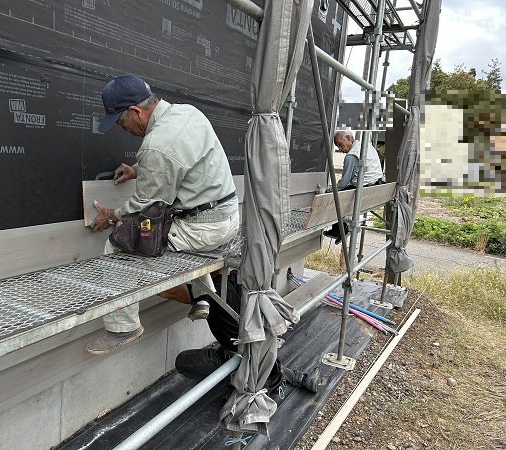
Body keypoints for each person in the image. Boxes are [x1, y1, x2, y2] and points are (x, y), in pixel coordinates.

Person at [87, 74, 240, 355]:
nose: (125, 130)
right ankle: (202, 296)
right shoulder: (187, 112)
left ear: (135, 111)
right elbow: (180, 161)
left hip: (204, 227)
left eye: (121, 122)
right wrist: (140, 169)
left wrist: (111, 215)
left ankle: (122, 327)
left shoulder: (156, 146)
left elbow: (145, 208)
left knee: (119, 245)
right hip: (225, 216)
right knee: (167, 232)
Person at [175, 271, 321, 396]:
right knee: (243, 349)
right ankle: (292, 377)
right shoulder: (242, 279)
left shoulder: (210, 293)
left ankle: (240, 383)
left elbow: (171, 291)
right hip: (261, 350)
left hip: (243, 360)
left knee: (182, 361)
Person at [323, 130, 384, 243]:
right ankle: (342, 227)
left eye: (340, 144)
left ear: (349, 138)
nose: (340, 149)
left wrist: (328, 190)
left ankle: (340, 229)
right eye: (338, 146)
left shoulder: (351, 156)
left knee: (334, 196)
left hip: (364, 189)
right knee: (342, 193)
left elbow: (343, 183)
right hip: (377, 186)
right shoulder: (366, 146)